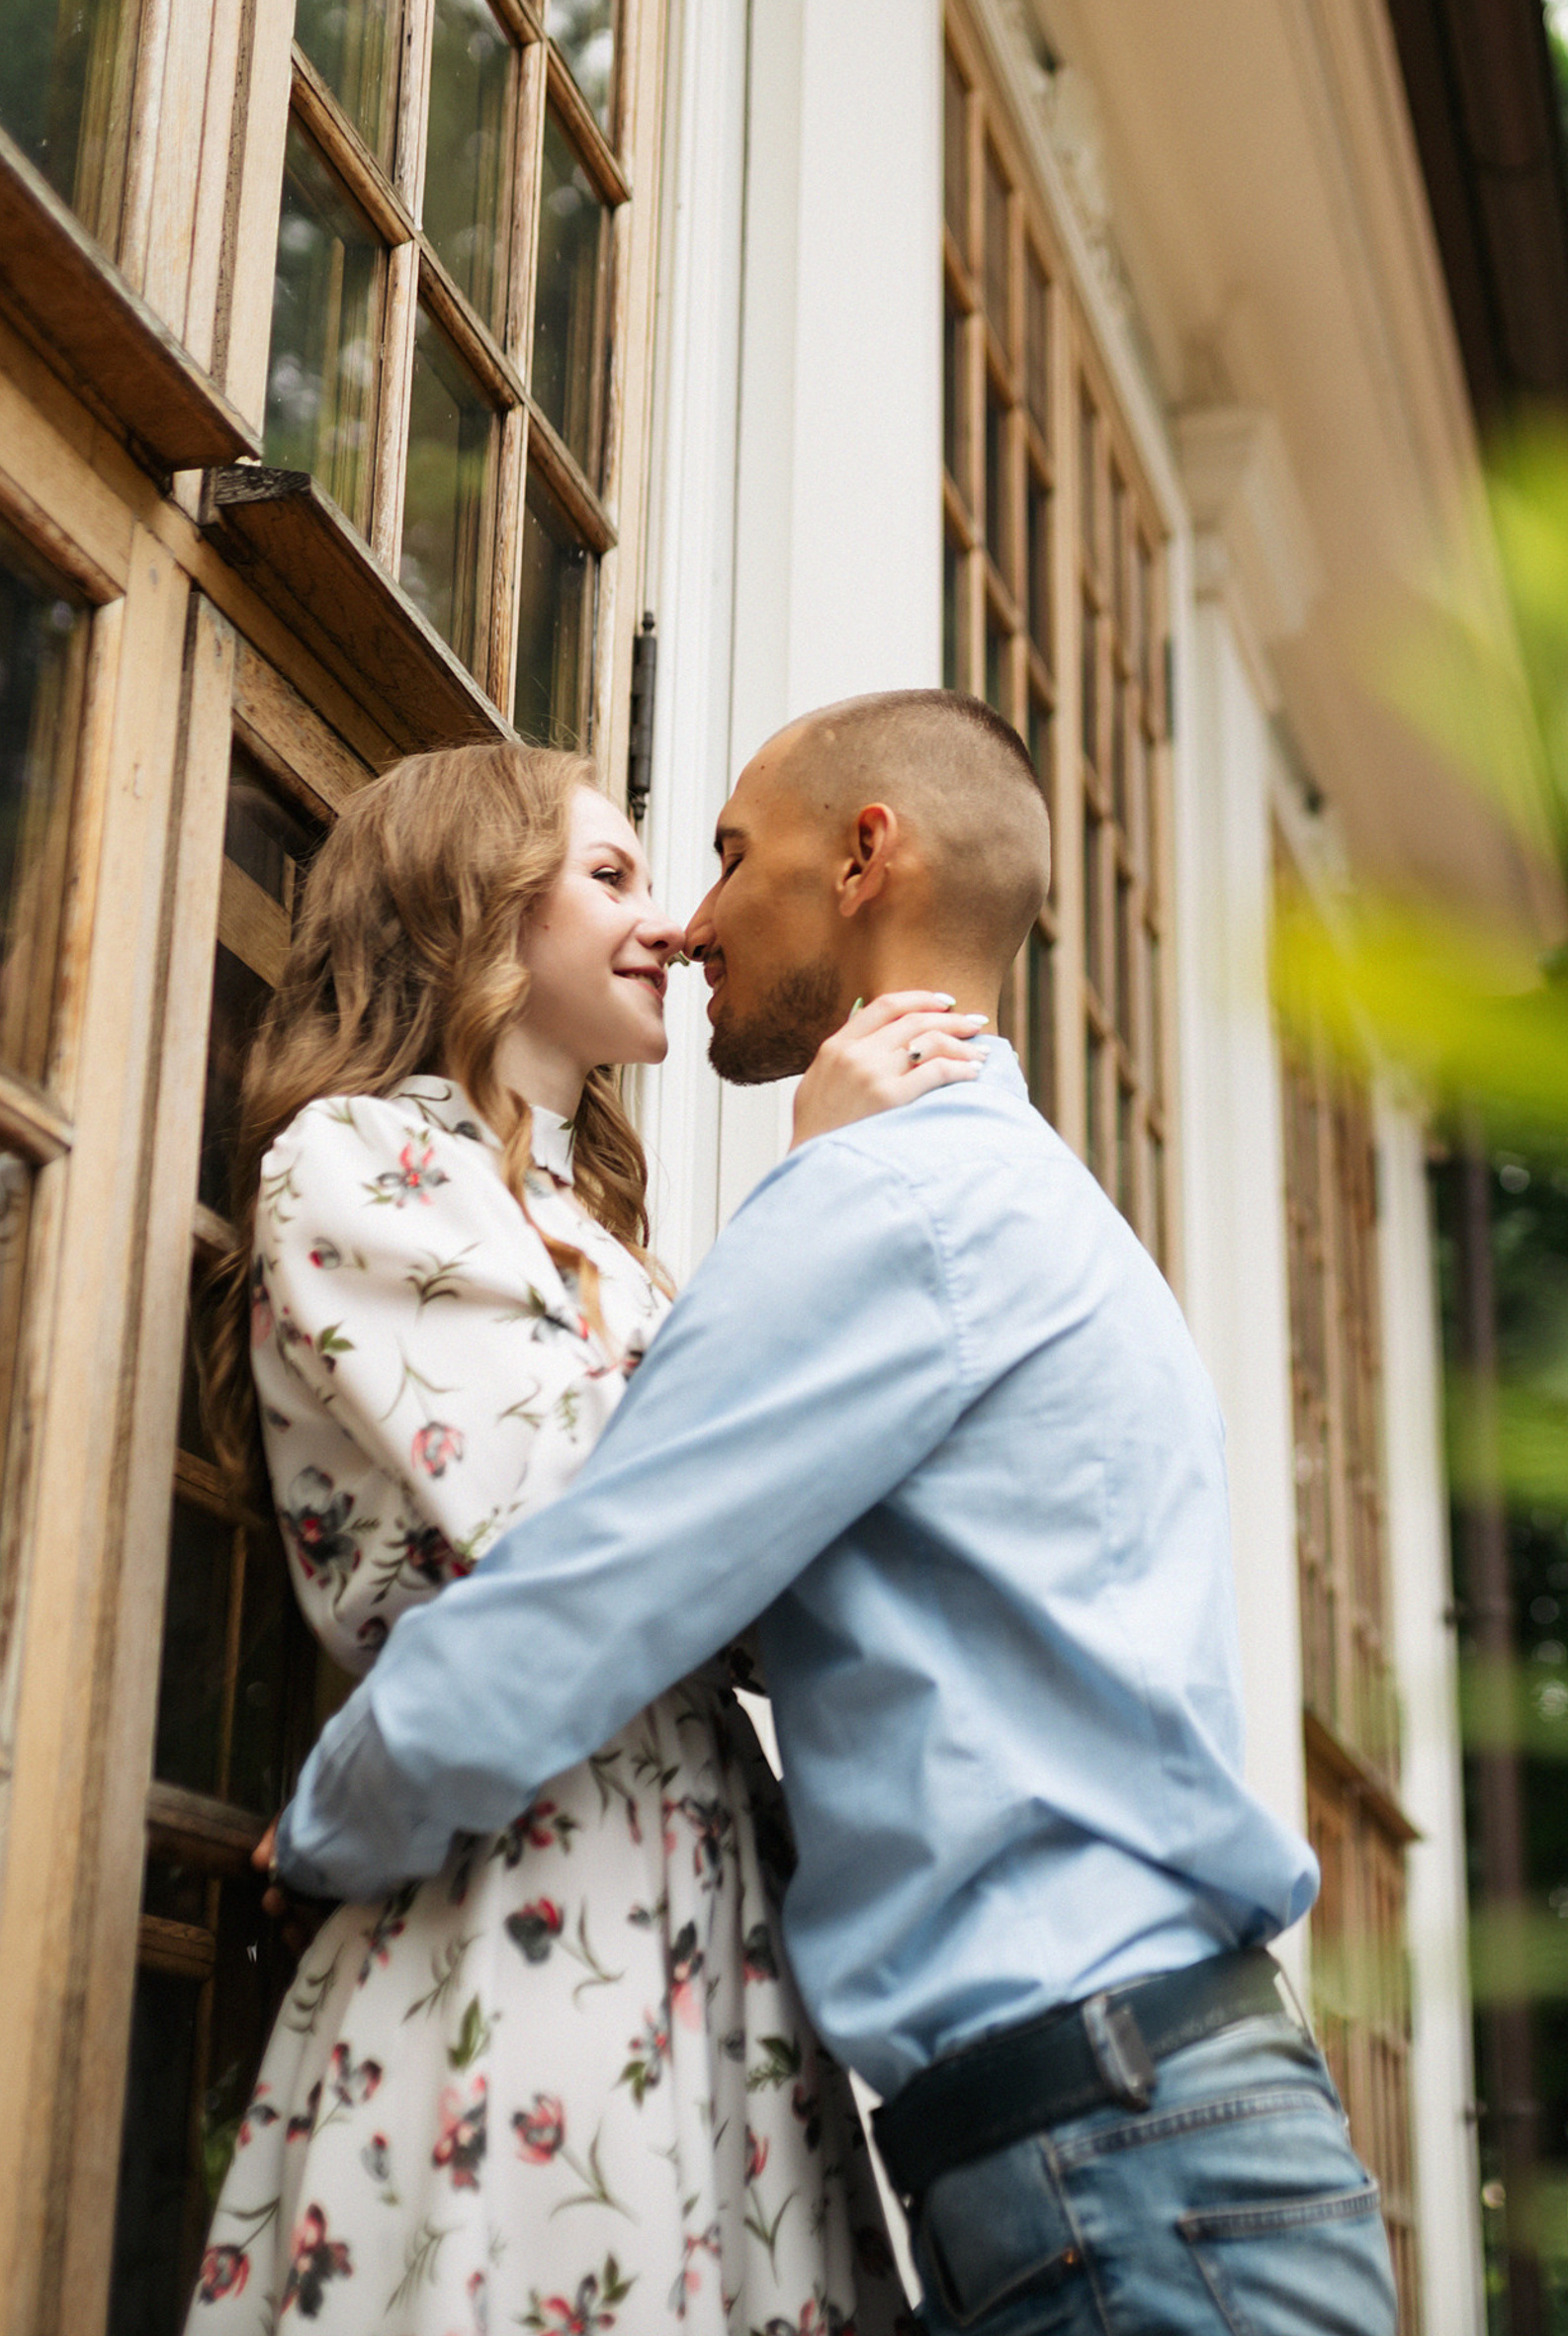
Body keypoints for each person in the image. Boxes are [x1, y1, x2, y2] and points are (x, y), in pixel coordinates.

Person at [267, 690, 1400, 2336]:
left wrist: (321, 1826)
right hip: (1135, 2138)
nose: (695, 917)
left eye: (726, 857)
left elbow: (595, 1589)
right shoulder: (1000, 1194)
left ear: (866, 857)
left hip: (1119, 2154)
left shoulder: (892, 1202)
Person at [188, 743, 984, 2335]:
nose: (676, 928)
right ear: (469, 905)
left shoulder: (618, 1244)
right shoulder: (359, 1161)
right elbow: (576, 1522)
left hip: (713, 1889)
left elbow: (762, 1582)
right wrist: (819, 1201)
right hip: (518, 1869)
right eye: (612, 876)